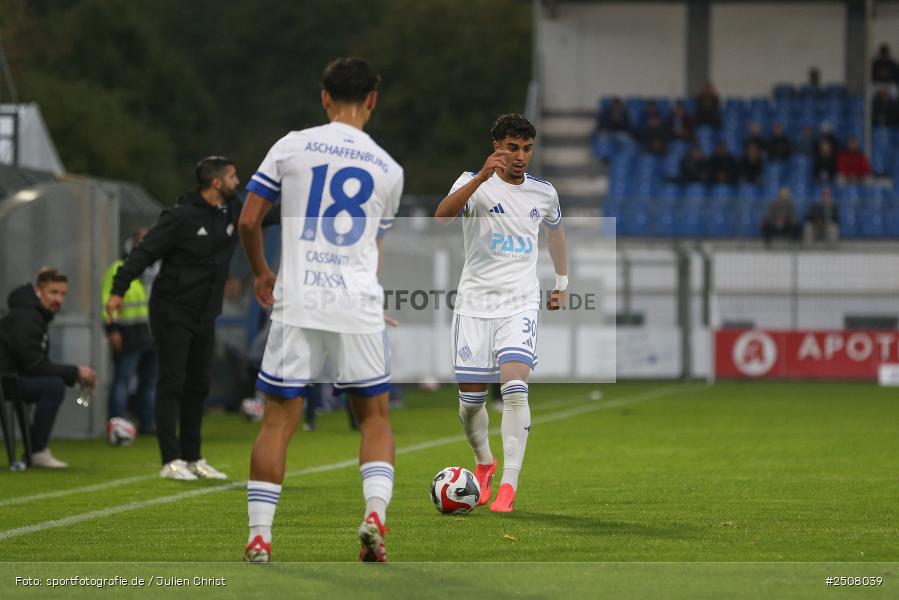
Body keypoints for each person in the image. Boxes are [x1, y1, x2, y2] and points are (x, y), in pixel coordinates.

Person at [238, 57, 403, 564]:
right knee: (373, 418)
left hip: (299, 299)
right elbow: (373, 245)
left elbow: (248, 221)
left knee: (278, 421)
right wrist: (369, 293)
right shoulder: (388, 169)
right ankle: (375, 515)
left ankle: (260, 538)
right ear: (372, 100)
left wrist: (263, 273)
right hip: (355, 303)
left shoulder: (291, 146)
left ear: (324, 97)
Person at [106, 156, 278, 481]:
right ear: (216, 183)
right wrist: (118, 289)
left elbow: (266, 216)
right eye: (232, 176)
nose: (237, 181)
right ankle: (170, 460)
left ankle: (193, 457)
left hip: (205, 313)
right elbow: (143, 253)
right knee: (172, 383)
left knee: (199, 385)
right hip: (172, 310)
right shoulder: (180, 217)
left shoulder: (232, 211)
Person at [434, 113, 569, 515]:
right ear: (496, 147)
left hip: (520, 301)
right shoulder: (470, 183)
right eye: (512, 148)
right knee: (470, 404)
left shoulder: (544, 192)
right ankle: (484, 462)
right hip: (475, 303)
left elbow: (556, 230)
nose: (520, 156)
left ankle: (508, 484)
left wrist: (562, 281)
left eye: (527, 148)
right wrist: (480, 177)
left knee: (514, 387)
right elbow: (441, 217)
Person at [0, 268, 96, 468]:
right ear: (39, 291)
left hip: (12, 378)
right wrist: (75, 372)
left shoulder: (34, 315)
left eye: (63, 294)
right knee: (53, 386)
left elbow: (34, 363)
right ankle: (37, 450)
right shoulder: (26, 317)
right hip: (6, 380)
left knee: (53, 384)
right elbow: (33, 366)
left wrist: (73, 373)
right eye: (54, 292)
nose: (59, 299)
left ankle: (35, 448)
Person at [101, 228, 157, 434]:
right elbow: (108, 301)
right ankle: (115, 424)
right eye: (141, 240)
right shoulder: (120, 268)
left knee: (149, 383)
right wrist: (112, 329)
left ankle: (147, 425)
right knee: (122, 380)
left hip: (152, 335)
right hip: (129, 333)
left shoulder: (153, 270)